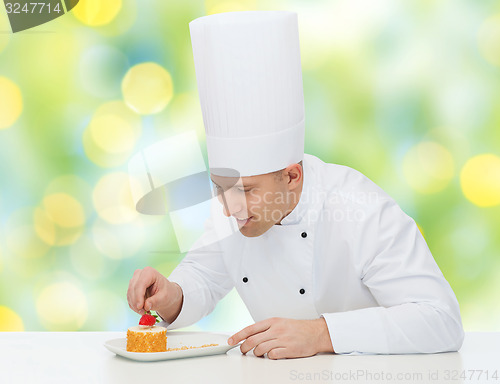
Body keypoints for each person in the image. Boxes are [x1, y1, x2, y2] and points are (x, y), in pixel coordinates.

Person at [127, 11, 464, 358]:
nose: (229, 208)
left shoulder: (359, 209)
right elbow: (204, 275)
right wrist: (171, 296)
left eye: (246, 190)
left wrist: (321, 335)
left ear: (291, 176)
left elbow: (441, 320)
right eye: (219, 188)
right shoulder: (232, 206)